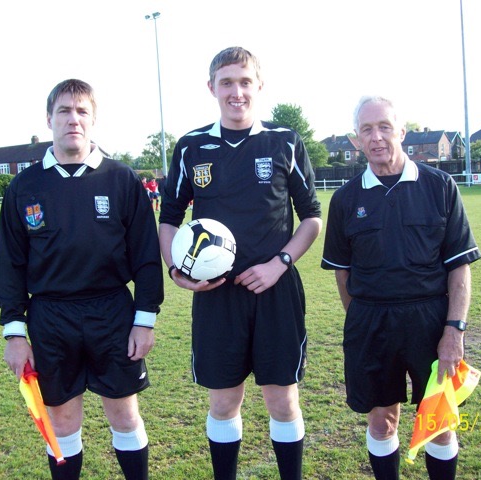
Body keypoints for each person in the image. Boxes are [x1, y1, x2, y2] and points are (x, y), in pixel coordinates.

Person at [158, 46, 322, 480]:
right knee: (223, 402)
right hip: (218, 298)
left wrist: (280, 263)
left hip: (275, 291)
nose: (236, 91)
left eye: (245, 81)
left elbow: (312, 218)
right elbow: (169, 221)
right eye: (226, 82)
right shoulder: (191, 147)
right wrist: (179, 271)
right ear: (211, 87)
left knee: (282, 401)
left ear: (259, 86)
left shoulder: (284, 141)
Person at [0, 79, 164, 480]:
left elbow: (145, 257)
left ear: (93, 119)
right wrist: (14, 333)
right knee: (63, 423)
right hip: (51, 318)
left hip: (112, 314)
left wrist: (145, 319)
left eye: (82, 111)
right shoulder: (24, 186)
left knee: (124, 415)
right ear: (49, 119)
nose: (74, 119)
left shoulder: (122, 180)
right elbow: (10, 265)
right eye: (65, 111)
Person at [321, 96, 481, 480]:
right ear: (355, 139)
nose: (376, 137)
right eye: (366, 130)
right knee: (381, 422)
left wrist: (453, 332)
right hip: (371, 322)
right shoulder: (345, 200)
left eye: (384, 127)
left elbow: (460, 269)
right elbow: (342, 275)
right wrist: (363, 317)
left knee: (439, 424)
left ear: (402, 132)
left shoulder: (439, 186)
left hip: (431, 320)